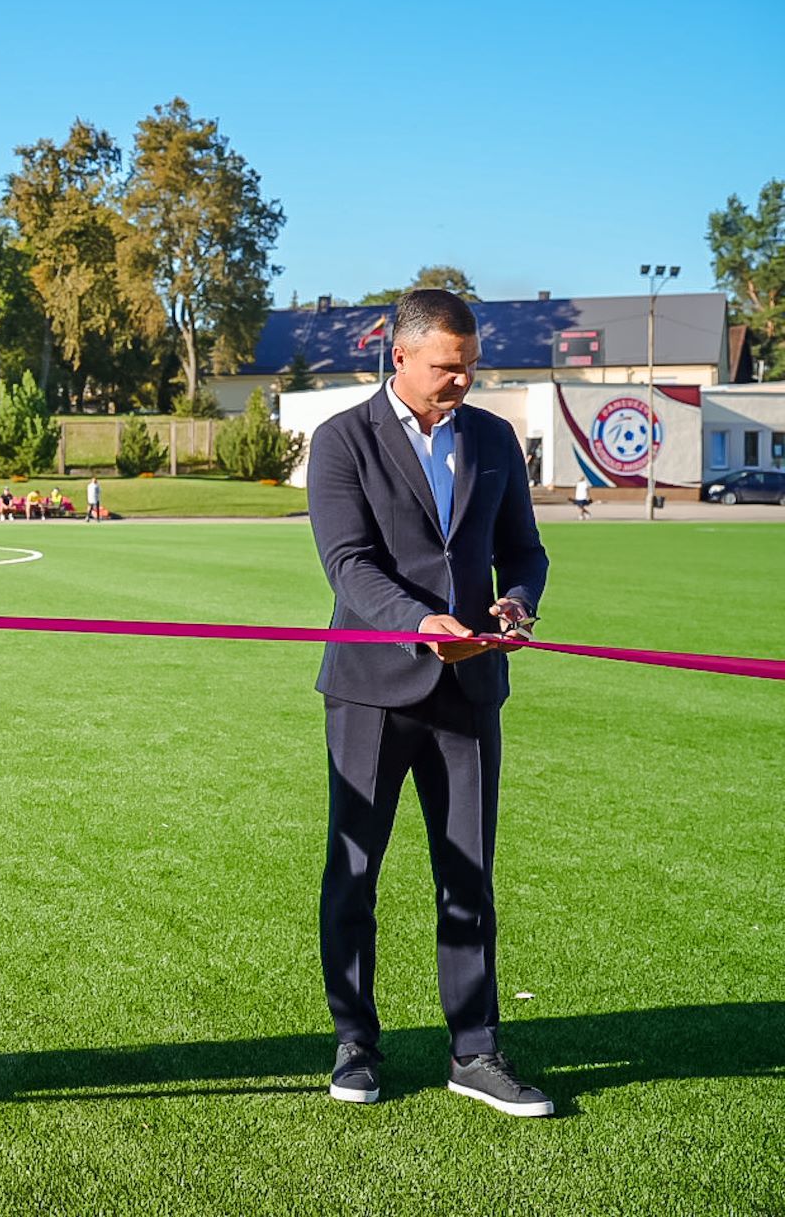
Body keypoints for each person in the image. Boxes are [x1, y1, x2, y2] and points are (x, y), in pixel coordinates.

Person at [307, 289, 552, 1118]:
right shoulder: (342, 440)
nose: (462, 382)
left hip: (472, 689)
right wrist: (418, 621)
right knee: (355, 872)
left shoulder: (492, 438)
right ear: (399, 354)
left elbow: (524, 548)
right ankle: (354, 1043)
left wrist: (516, 602)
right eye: (449, 367)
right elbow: (348, 563)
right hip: (373, 691)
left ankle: (475, 1049)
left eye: (470, 366)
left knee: (469, 873)